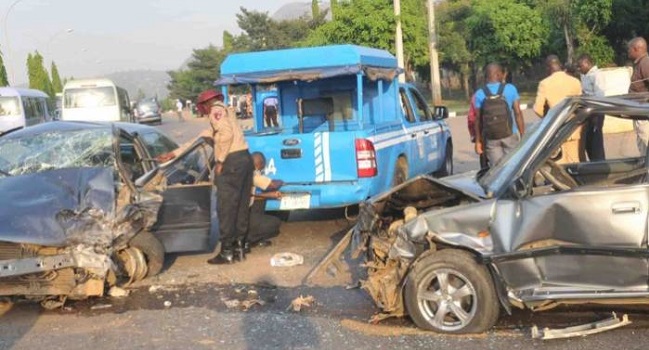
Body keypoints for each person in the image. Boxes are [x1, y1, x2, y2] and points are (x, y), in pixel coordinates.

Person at [159, 90, 254, 265]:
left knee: (226, 208)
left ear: (206, 104)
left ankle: (226, 252)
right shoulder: (227, 112)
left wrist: (220, 161)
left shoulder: (216, 111)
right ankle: (239, 247)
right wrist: (174, 153)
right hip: (244, 159)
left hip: (231, 162)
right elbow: (200, 139)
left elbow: (225, 135)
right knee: (241, 205)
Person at [474, 63, 525, 165]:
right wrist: (523, 135)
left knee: (497, 170)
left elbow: (478, 120)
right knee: (513, 166)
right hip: (510, 134)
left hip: (491, 138)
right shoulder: (510, 88)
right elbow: (518, 113)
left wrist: (478, 141)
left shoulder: (479, 93)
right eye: (502, 73)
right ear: (498, 74)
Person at [243, 152, 285, 250]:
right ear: (259, 165)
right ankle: (250, 239)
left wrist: (268, 195)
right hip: (244, 220)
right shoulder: (254, 175)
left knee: (260, 201)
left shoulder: (241, 173)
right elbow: (273, 185)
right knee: (275, 224)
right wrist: (281, 181)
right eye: (263, 166)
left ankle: (250, 237)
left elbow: (251, 196)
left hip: (237, 218)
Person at [577, 54, 605, 161]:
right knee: (588, 141)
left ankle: (599, 164)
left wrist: (585, 97)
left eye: (581, 66)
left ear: (587, 63)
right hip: (587, 112)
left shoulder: (597, 75)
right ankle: (592, 163)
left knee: (596, 142)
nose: (579, 69)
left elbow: (599, 97)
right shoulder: (585, 75)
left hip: (596, 112)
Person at [628, 37, 649, 154]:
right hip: (639, 113)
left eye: (629, 49)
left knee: (645, 143)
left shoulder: (645, 63)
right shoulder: (640, 63)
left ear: (636, 49)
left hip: (644, 114)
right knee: (642, 144)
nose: (628, 52)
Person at [467, 93, 489, 169]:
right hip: (507, 134)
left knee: (485, 167)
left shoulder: (478, 95)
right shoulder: (508, 90)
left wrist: (475, 137)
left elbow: (471, 118)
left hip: (485, 136)